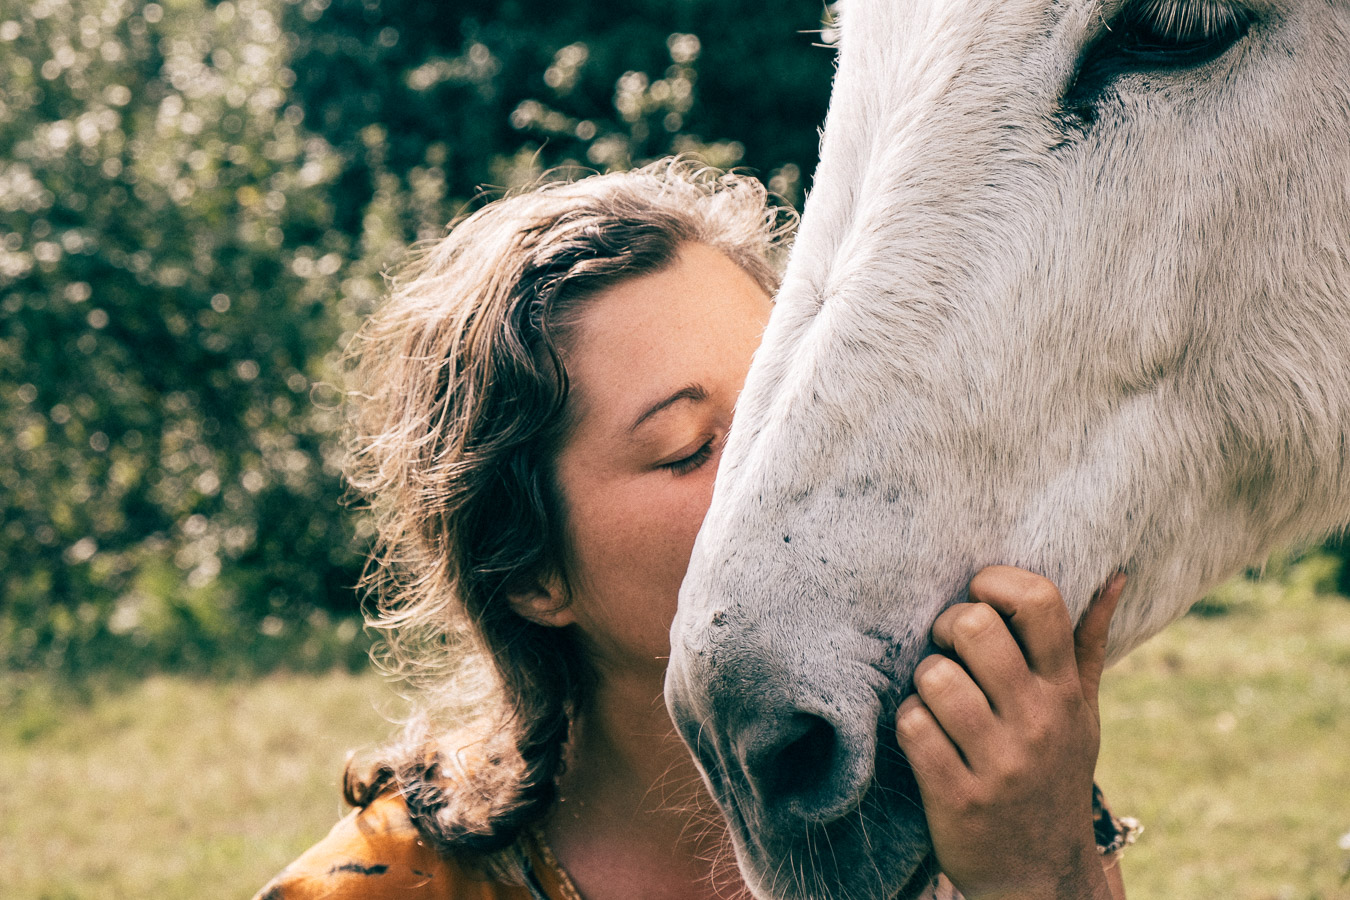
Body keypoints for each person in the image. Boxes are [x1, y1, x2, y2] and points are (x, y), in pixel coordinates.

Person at [254, 160, 1135, 900]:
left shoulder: (983, 797)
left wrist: (1048, 868)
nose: (780, 469)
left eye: (782, 401)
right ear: (528, 571)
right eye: (685, 449)